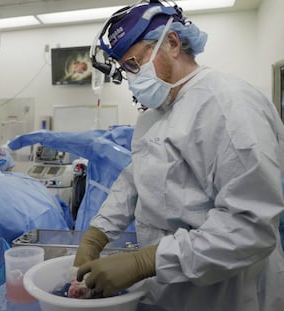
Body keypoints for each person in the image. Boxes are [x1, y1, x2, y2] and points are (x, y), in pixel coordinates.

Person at [73, 1, 284, 311]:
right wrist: (96, 234)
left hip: (230, 294)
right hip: (173, 290)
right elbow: (135, 182)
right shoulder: (155, 115)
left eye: (134, 64)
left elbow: (249, 227)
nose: (131, 79)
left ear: (171, 43)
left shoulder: (228, 104)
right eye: (125, 70)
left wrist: (148, 260)